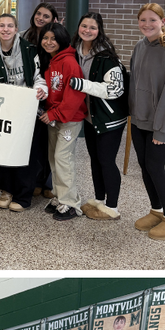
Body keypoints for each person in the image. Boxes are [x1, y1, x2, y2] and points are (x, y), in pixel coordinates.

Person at [0, 13, 47, 213]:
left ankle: (23, 195)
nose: (6, 29)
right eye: (2, 25)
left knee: (26, 153)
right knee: (6, 152)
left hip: (27, 111)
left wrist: (40, 89)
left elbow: (38, 77)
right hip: (4, 111)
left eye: (10, 25)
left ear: (16, 29)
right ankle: (6, 190)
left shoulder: (29, 50)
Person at [68, 12, 128, 222]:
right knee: (95, 160)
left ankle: (112, 207)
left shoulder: (107, 56)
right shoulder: (74, 51)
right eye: (84, 26)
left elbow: (115, 90)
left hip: (110, 118)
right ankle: (98, 199)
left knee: (106, 160)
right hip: (90, 116)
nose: (87, 30)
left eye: (92, 28)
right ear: (78, 27)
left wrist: (82, 84)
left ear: (99, 31)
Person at [130, 5, 165, 240]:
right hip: (139, 120)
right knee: (145, 166)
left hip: (160, 124)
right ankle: (157, 210)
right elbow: (135, 81)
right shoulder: (139, 46)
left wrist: (161, 129)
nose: (147, 24)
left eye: (152, 20)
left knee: (156, 167)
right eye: (143, 20)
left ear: (162, 21)